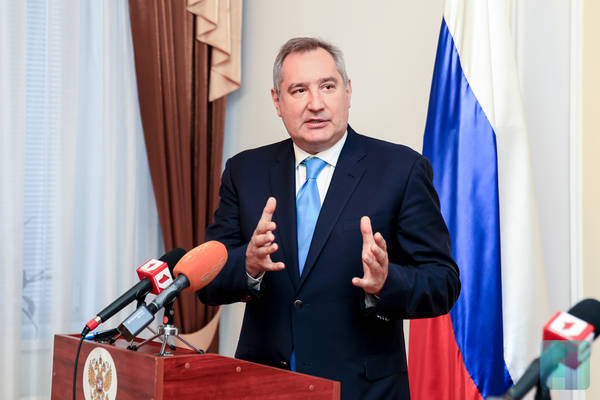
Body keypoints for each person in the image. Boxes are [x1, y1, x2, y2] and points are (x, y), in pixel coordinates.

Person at [198, 37, 460, 400]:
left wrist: (387, 282)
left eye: (327, 86)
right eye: (299, 90)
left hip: (362, 390)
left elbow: (443, 282)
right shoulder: (245, 171)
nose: (316, 104)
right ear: (277, 101)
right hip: (264, 386)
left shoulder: (401, 169)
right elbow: (206, 282)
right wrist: (247, 265)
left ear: (347, 91)